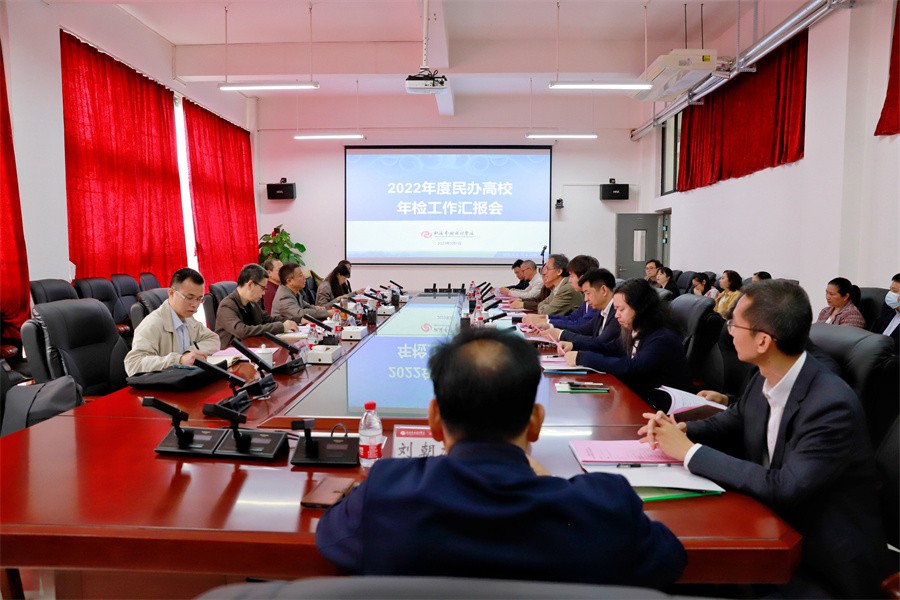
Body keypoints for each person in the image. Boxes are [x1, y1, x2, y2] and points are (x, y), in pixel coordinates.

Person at [316, 328, 686, 586]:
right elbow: (671, 559)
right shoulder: (604, 506)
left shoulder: (387, 491)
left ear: (434, 420)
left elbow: (330, 538)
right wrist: (548, 481)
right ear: (535, 423)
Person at [639, 280, 888, 598]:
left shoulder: (830, 404)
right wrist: (680, 431)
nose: (729, 331)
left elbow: (785, 486)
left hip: (821, 563)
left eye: (735, 324)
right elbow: (732, 421)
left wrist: (689, 452)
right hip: (770, 527)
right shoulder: (765, 376)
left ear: (763, 341)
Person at [564, 278, 690, 399]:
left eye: (621, 309)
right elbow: (610, 347)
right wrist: (574, 345)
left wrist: (583, 358)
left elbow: (633, 368)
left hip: (661, 404)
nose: (616, 315)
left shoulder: (663, 337)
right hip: (638, 394)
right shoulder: (636, 329)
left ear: (640, 308)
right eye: (616, 309)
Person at [124, 268, 220, 376]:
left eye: (199, 299)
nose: (195, 305)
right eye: (189, 297)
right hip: (163, 384)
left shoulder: (188, 318)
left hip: (186, 379)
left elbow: (213, 339)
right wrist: (178, 360)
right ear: (171, 293)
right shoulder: (152, 323)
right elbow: (133, 364)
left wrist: (189, 352)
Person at [215, 263, 298, 349]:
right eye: (263, 288)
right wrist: (281, 327)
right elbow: (242, 331)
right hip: (231, 353)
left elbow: (269, 320)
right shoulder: (227, 306)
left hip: (251, 347)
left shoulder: (252, 303)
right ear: (250, 284)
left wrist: (296, 320)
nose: (264, 293)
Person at [546, 268, 620, 351]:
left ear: (604, 290)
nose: (586, 299)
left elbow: (600, 343)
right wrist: (551, 326)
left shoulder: (617, 313)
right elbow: (584, 330)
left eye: (588, 293)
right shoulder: (602, 310)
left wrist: (561, 334)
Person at [522, 255, 599, 334]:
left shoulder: (570, 289)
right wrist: (545, 318)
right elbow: (572, 318)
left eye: (572, 276)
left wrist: (548, 322)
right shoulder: (583, 295)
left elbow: (581, 324)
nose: (570, 280)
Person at [871, 272, 900, 353]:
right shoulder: (888, 311)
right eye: (890, 290)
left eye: (894, 291)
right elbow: (871, 337)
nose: (889, 294)